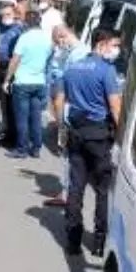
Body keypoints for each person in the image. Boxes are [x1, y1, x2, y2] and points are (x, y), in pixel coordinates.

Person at [56, 29, 123, 257]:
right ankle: (98, 242)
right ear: (102, 43)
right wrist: (123, 136)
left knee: (76, 187)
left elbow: (60, 98)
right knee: (103, 191)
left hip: (76, 133)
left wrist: (61, 126)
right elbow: (115, 107)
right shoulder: (106, 70)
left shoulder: (72, 67)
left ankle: (73, 239)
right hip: (99, 136)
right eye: (115, 45)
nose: (116, 50)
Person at [43, 25, 89, 206]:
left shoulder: (77, 55)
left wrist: (60, 118)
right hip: (78, 112)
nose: (60, 45)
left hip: (72, 112)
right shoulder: (80, 52)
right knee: (70, 155)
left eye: (59, 41)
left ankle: (70, 195)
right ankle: (67, 192)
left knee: (70, 155)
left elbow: (68, 87)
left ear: (64, 36)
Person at [2, 10, 51, 158]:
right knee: (36, 117)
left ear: (26, 23)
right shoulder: (47, 39)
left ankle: (22, 148)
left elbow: (15, 60)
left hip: (23, 82)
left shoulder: (24, 38)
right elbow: (48, 61)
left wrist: (7, 79)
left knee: (22, 117)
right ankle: (36, 147)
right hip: (39, 82)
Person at [0, 4, 24, 147]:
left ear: (15, 15)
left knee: (10, 105)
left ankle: (12, 137)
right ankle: (7, 130)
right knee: (4, 104)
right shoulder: (4, 30)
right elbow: (1, 48)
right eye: (3, 15)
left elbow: (18, 54)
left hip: (11, 69)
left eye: (8, 15)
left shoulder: (18, 31)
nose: (4, 18)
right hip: (1, 66)